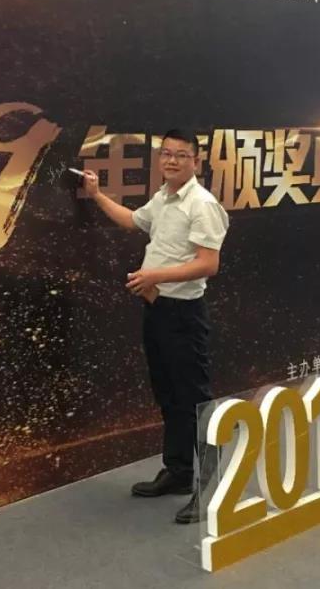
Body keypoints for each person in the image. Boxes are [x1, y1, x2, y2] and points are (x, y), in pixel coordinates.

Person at [82, 129, 229, 522]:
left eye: (181, 155)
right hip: (158, 310)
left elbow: (208, 264)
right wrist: (96, 195)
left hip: (184, 315)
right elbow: (133, 221)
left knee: (195, 402)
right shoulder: (163, 197)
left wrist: (155, 276)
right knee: (169, 396)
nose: (171, 161)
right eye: (166, 154)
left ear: (196, 161)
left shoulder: (202, 204)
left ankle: (210, 491)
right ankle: (179, 473)